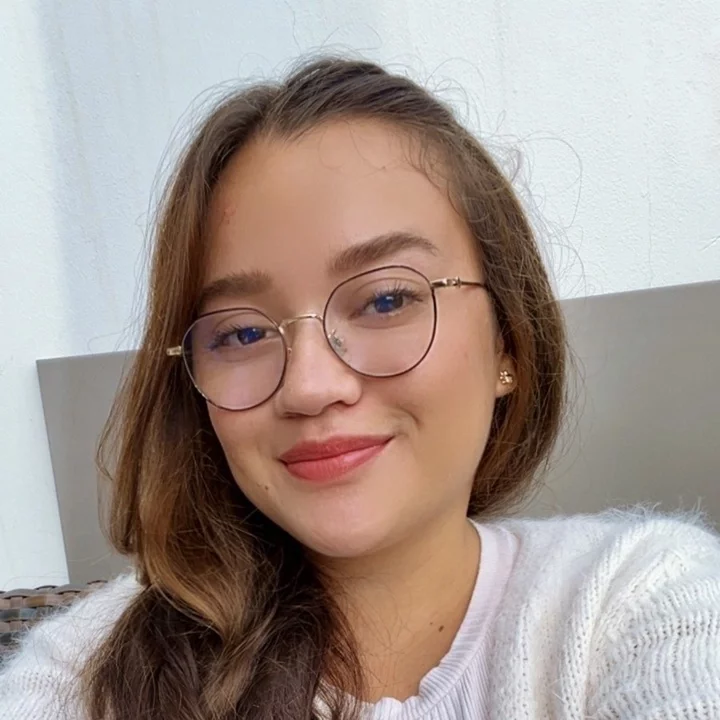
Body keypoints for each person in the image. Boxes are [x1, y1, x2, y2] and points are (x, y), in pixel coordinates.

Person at [1, 56, 719, 720]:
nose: (311, 386)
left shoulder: (637, 604)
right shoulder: (89, 669)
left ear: (508, 340)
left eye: (384, 299)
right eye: (241, 334)